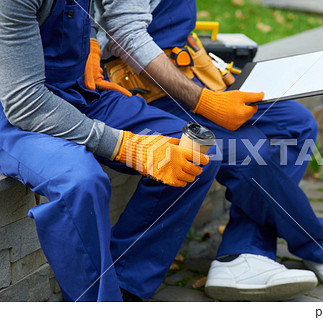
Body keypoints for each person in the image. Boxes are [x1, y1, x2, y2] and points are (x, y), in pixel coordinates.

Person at [95, 0, 323, 301]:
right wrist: (204, 102)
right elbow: (125, 33)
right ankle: (318, 243)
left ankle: (243, 251)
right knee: (246, 148)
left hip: (191, 75)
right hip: (150, 90)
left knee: (296, 127)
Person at [0, 0, 223, 302]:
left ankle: (125, 286)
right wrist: (125, 145)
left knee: (194, 155)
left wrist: (91, 41)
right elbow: (25, 103)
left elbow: (90, 14)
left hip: (80, 91)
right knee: (81, 182)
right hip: (16, 112)